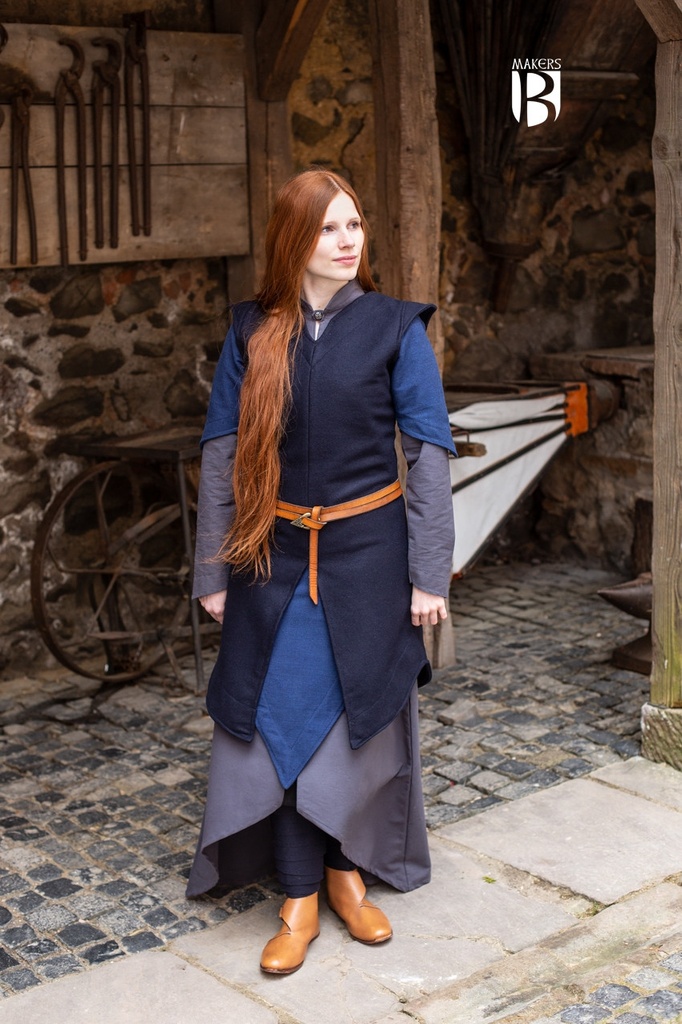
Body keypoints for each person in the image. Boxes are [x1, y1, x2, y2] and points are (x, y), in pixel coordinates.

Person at [186, 168, 455, 975]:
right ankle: (298, 897)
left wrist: (430, 574)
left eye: (354, 225)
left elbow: (427, 457)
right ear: (293, 239)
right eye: (328, 227)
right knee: (280, 722)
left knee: (353, 723)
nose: (346, 241)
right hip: (268, 559)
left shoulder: (396, 328)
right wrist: (211, 570)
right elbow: (221, 455)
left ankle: (347, 878)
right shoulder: (250, 331)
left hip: (369, 560)